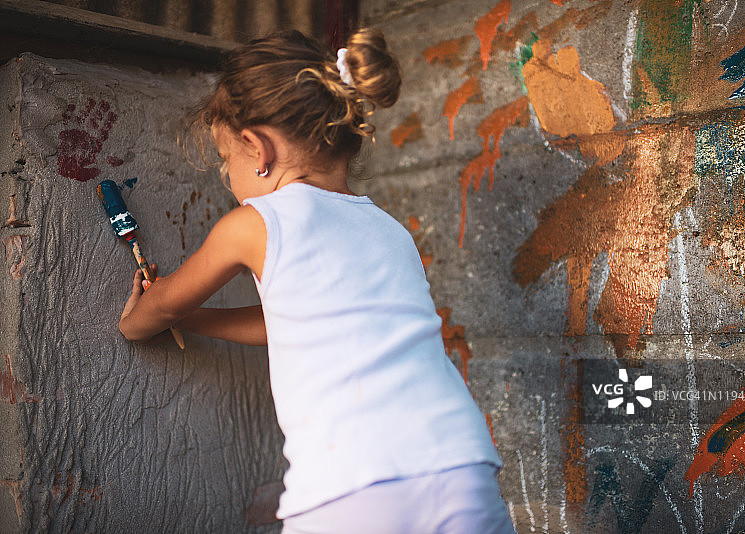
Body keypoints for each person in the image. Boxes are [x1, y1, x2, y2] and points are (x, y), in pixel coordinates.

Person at [118, 28, 514, 534]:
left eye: (224, 159)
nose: (225, 175)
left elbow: (162, 307)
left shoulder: (255, 224)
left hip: (352, 485)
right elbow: (291, 321)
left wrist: (139, 321)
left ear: (257, 148)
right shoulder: (389, 231)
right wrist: (197, 320)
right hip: (460, 465)